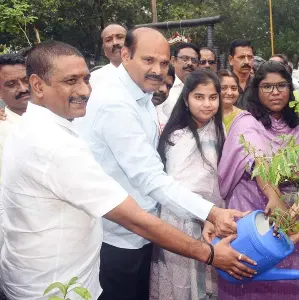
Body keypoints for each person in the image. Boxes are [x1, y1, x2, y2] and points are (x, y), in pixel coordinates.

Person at [0, 40, 256, 300]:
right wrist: (209, 253)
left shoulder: (53, 124)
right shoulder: (53, 142)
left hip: (69, 272)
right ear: (37, 85)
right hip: (54, 286)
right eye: (70, 81)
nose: (85, 90)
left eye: (86, 79)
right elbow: (134, 213)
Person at [74, 28, 252, 300]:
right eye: (148, 60)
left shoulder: (142, 96)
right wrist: (211, 212)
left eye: (164, 62)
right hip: (118, 237)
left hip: (145, 231)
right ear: (125, 55)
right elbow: (150, 178)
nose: (157, 70)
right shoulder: (115, 103)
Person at [218, 61, 299, 300]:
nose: (275, 92)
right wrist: (274, 196)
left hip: (290, 207)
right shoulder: (247, 121)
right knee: (250, 270)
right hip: (253, 205)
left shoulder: (297, 123)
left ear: (290, 88)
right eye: (267, 86)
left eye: (281, 85)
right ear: (256, 90)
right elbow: (257, 158)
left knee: (287, 273)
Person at [150, 69, 225, 300]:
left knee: (207, 284)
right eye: (199, 97)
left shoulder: (217, 129)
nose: (207, 104)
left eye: (213, 97)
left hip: (211, 218)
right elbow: (176, 184)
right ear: (186, 99)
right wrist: (204, 215)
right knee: (184, 285)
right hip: (180, 219)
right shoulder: (179, 136)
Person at [0, 54, 29, 187]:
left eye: (26, 80)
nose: (23, 89)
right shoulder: (3, 130)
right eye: (11, 84)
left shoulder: (63, 114)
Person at [156, 43, 200, 128]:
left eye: (194, 60)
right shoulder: (163, 86)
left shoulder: (198, 87)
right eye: (185, 58)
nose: (190, 63)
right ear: (173, 60)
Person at [89, 24, 127, 88]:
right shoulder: (92, 80)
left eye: (120, 37)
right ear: (104, 50)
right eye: (108, 40)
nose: (115, 43)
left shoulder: (146, 73)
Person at [229, 39, 254, 109]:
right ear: (230, 60)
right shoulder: (221, 84)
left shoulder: (259, 84)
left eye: (250, 57)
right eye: (241, 57)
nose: (247, 62)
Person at [217, 69, 243, 133]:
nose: (229, 93)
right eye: (223, 88)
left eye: (234, 88)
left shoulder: (243, 117)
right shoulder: (207, 115)